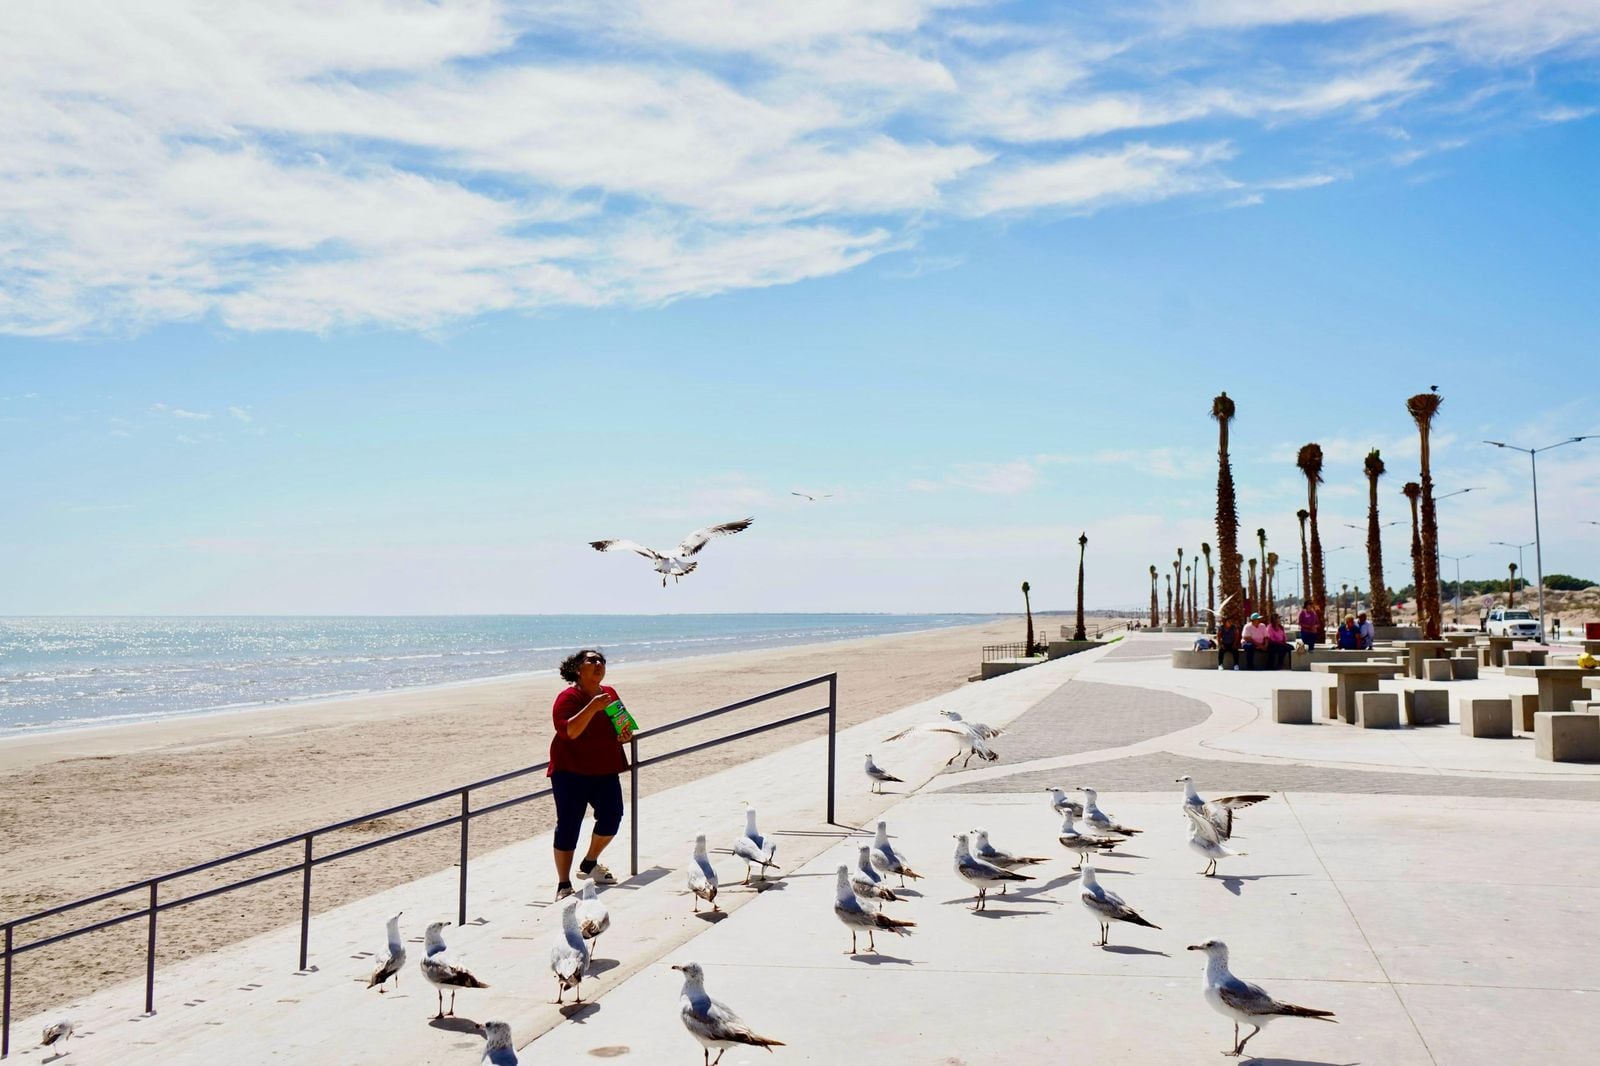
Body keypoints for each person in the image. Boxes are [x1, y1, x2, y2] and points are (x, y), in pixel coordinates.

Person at [548, 649, 632, 901]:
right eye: (591, 660)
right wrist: (593, 707)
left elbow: (624, 723)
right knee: (569, 825)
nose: (598, 664)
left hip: (604, 769)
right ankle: (563, 884)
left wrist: (626, 734)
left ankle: (589, 862)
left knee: (612, 817)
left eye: (601, 661)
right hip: (570, 771)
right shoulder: (568, 698)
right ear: (577, 669)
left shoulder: (610, 693)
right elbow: (569, 731)